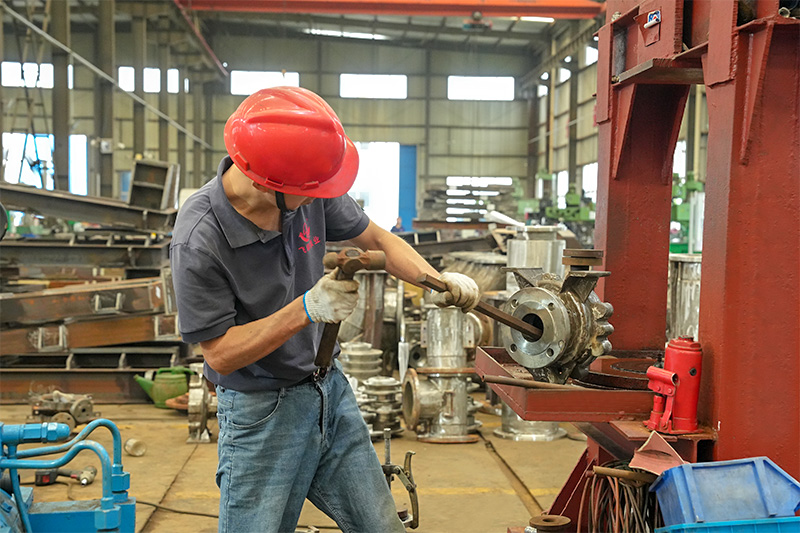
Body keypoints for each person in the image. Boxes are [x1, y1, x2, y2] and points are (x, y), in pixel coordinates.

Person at [170, 86, 480, 533]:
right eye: (307, 192)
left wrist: (438, 281)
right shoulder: (200, 237)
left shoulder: (307, 186)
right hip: (260, 411)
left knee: (382, 526)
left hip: (327, 391)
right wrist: (308, 308)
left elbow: (377, 240)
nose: (317, 198)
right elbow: (218, 353)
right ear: (266, 182)